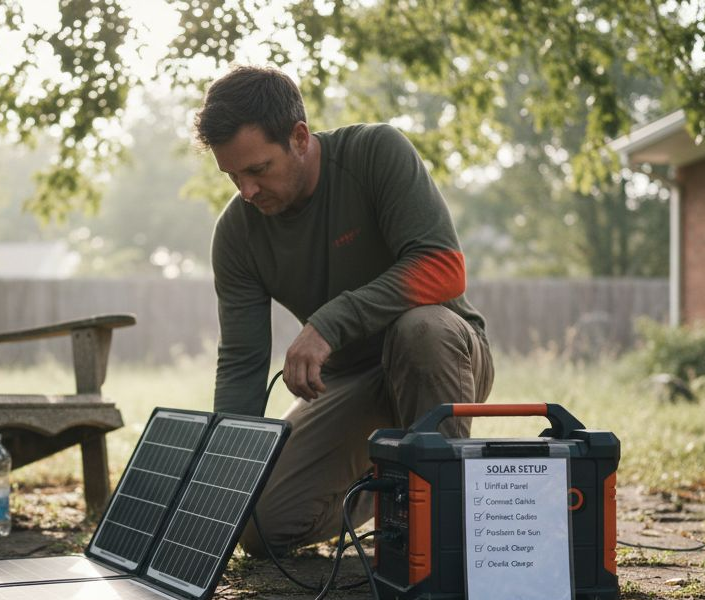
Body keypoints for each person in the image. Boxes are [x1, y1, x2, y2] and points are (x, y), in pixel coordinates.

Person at [194, 66, 494, 557]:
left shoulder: (375, 152)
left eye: (258, 169)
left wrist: (328, 323)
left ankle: (441, 538)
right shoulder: (237, 233)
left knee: (421, 330)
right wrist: (227, 478)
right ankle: (395, 489)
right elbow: (242, 363)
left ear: (298, 137)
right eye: (232, 176)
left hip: (444, 357)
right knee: (263, 528)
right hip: (352, 380)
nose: (246, 190)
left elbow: (443, 269)